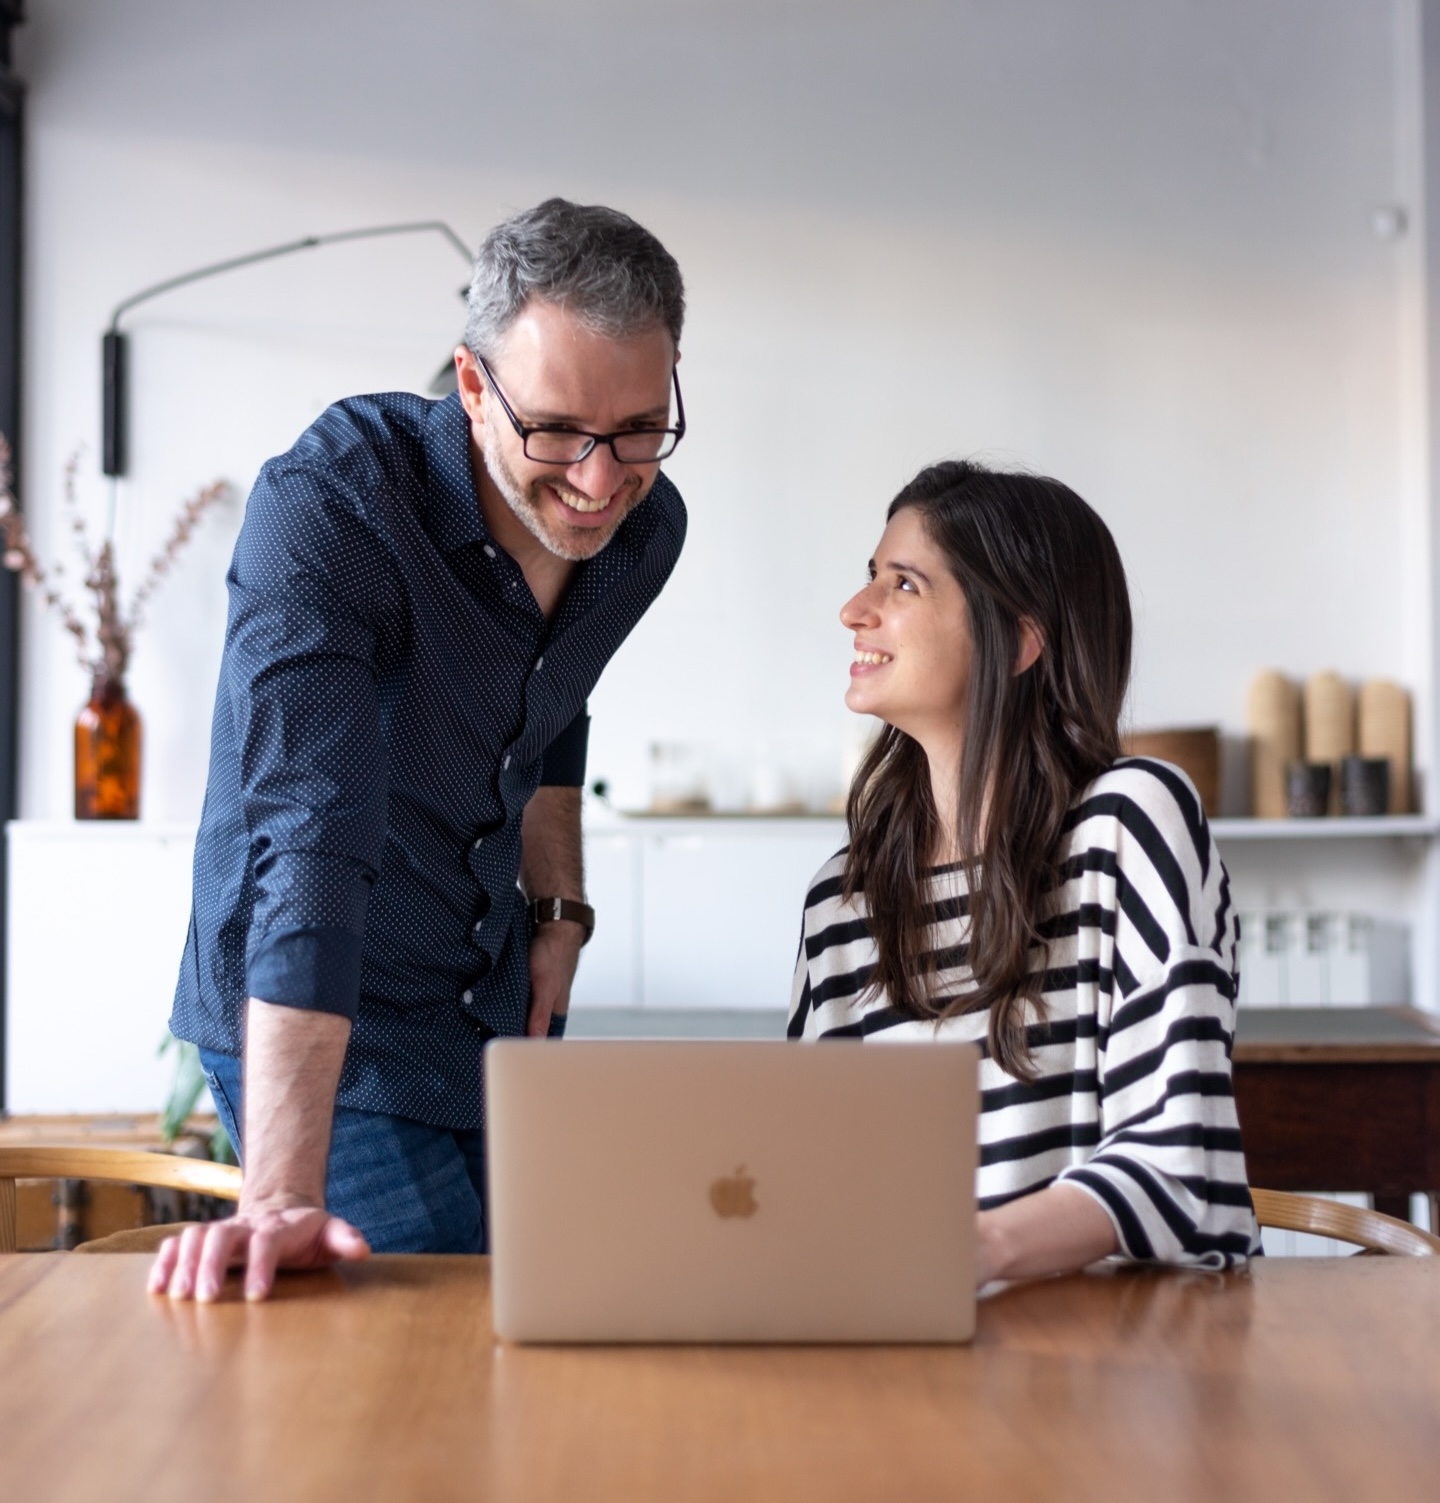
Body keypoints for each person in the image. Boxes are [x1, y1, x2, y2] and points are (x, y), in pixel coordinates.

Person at [152, 199, 689, 1302]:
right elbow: (311, 838)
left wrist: (560, 907)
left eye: (638, 427)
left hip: (484, 1003)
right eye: (558, 432)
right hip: (311, 1001)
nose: (599, 481)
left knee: (519, 1312)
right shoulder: (334, 507)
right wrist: (283, 1195)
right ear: (474, 384)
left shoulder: (646, 531)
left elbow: (555, 710)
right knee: (412, 1326)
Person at [789, 459, 1260, 1285]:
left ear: (1017, 637)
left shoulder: (1131, 823)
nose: (853, 611)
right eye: (871, 578)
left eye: (903, 584)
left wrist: (965, 1253)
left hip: (1142, 1363)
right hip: (926, 1357)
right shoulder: (842, 899)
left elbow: (1176, 1157)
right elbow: (812, 1178)